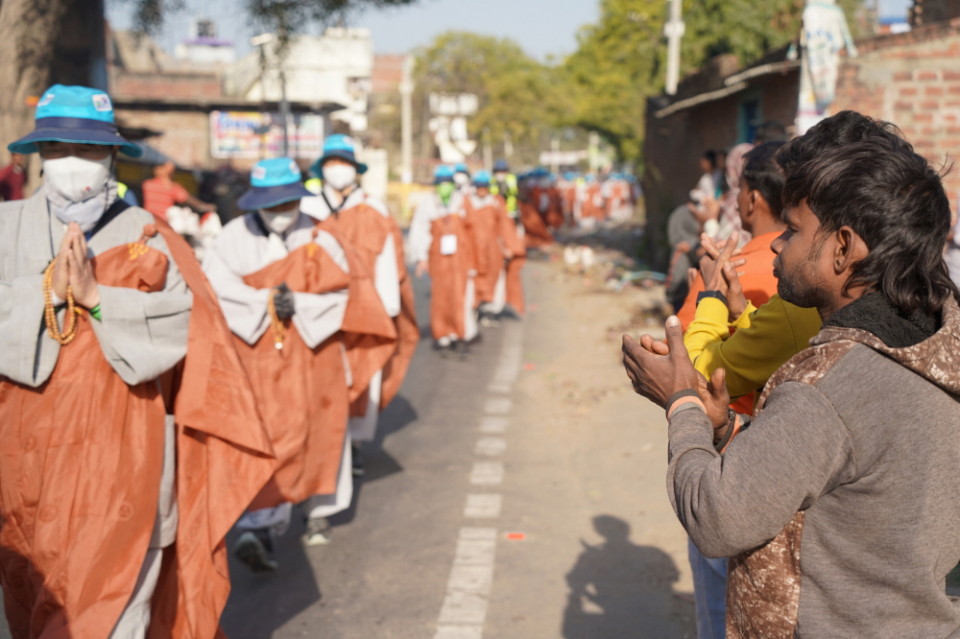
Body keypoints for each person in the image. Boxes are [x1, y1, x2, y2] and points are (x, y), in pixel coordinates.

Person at [623, 111, 960, 638]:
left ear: (843, 248)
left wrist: (682, 405)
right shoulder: (936, 339)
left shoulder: (830, 382)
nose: (778, 245)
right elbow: (851, 470)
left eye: (795, 231)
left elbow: (717, 516)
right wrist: (727, 430)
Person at [0, 84, 274, 638]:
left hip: (126, 460)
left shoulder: (155, 238)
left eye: (87, 150)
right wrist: (49, 293)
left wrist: (100, 299)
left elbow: (194, 330)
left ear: (112, 156)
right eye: (55, 149)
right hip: (24, 460)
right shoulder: (4, 228)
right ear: (38, 157)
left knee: (116, 613)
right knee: (30, 607)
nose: (71, 162)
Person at [203, 158, 395, 566]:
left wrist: (301, 305)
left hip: (315, 353)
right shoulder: (231, 238)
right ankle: (257, 524)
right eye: (271, 206)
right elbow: (214, 293)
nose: (279, 214)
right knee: (261, 435)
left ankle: (318, 512)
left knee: (322, 431)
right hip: (255, 356)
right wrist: (265, 302)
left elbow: (352, 296)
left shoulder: (323, 235)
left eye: (287, 204)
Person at [301, 134, 419, 477]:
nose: (339, 170)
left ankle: (352, 444)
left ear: (356, 169)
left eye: (345, 163)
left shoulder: (375, 209)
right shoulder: (307, 209)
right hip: (316, 311)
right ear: (323, 168)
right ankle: (320, 443)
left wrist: (385, 311)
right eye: (333, 163)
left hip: (364, 311)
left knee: (361, 376)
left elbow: (389, 262)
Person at [409, 165, 478, 355]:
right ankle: (442, 335)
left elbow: (474, 232)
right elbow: (419, 231)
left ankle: (461, 334)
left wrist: (474, 260)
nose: (445, 187)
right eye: (441, 184)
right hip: (438, 259)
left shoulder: (463, 203)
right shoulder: (428, 204)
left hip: (460, 258)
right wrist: (421, 257)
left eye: (448, 183)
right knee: (440, 298)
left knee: (460, 296)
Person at [465, 170, 512, 324]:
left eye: (484, 187)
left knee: (494, 279)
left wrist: (508, 246)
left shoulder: (496, 202)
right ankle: (473, 308)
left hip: (492, 249)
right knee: (473, 280)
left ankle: (489, 311)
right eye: (479, 187)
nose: (482, 191)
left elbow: (505, 226)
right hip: (472, 250)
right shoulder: (466, 202)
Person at [141, 160, 216, 221]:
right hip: (163, 223)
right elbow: (191, 201)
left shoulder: (147, 184)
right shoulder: (173, 188)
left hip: (147, 220)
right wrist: (207, 207)